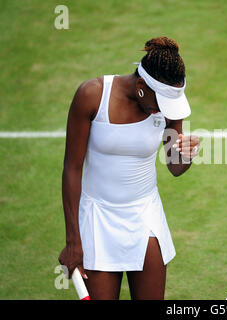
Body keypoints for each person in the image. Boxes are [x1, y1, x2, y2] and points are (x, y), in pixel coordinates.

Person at [58, 36, 200, 300]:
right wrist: (73, 240)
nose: (163, 112)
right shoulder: (92, 95)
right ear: (142, 86)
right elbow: (72, 169)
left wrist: (186, 155)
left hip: (146, 215)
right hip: (97, 218)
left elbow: (175, 167)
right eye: (160, 104)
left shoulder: (168, 107)